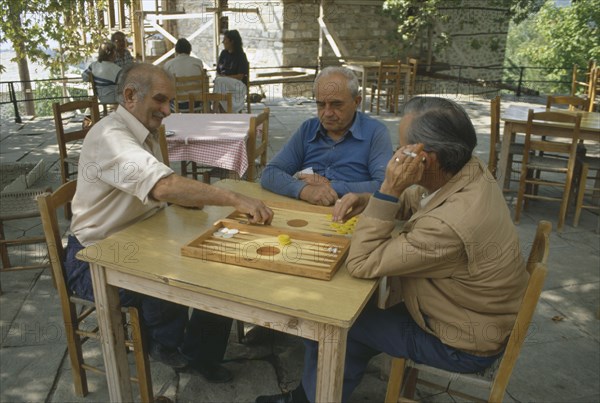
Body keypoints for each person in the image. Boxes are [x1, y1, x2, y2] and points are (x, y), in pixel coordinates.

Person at [256, 97, 528, 403]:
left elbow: (361, 263)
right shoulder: (469, 168)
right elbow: (421, 198)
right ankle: (317, 391)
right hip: (469, 312)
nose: (395, 155)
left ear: (429, 160)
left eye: (401, 150)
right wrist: (367, 199)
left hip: (459, 341)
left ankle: (305, 399)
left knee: (328, 321)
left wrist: (387, 191)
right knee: (352, 320)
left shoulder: (448, 224)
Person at [65, 63, 274, 383]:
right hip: (94, 257)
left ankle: (192, 351)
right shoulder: (110, 136)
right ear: (130, 95)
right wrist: (233, 198)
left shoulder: (143, 131)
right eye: (161, 101)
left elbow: (162, 187)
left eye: (169, 102)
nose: (167, 110)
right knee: (190, 276)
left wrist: (194, 198)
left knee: (217, 264)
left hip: (142, 234)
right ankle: (164, 343)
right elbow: (162, 186)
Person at [260, 66, 392, 206]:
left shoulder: (376, 133)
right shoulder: (308, 130)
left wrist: (331, 186)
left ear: (356, 102)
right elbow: (270, 174)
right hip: (305, 215)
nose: (327, 113)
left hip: (351, 217)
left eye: (336, 104)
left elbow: (386, 187)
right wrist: (305, 190)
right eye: (321, 105)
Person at [164, 38, 205, 112]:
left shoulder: (169, 64)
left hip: (179, 104)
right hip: (197, 102)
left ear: (176, 50)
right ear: (190, 50)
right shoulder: (198, 63)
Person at [214, 29, 249, 112]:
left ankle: (216, 110)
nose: (223, 42)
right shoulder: (223, 54)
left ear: (232, 41)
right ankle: (221, 109)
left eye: (225, 39)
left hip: (237, 85)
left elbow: (240, 76)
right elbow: (218, 70)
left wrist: (226, 77)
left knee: (219, 81)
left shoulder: (241, 56)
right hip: (223, 82)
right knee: (219, 81)